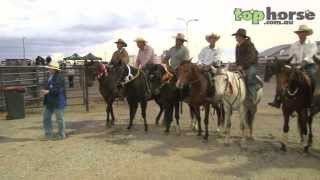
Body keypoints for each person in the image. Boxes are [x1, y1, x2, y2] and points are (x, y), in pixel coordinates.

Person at [269, 25, 318, 108]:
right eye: (299, 33)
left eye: (303, 33)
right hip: (296, 66)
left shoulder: (312, 44)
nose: (301, 34)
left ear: (306, 34)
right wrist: (292, 64)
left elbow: (311, 55)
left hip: (309, 65)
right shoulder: (294, 45)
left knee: (313, 79)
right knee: (282, 78)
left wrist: (303, 62)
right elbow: (291, 57)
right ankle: (277, 99)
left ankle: (312, 100)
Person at [232, 28, 258, 108]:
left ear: (241, 37)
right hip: (241, 67)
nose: (236, 38)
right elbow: (237, 58)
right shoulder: (237, 46)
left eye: (237, 36)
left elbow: (251, 57)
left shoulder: (249, 44)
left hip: (250, 65)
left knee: (250, 77)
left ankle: (252, 99)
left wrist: (242, 66)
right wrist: (236, 65)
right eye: (235, 36)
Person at [41, 61, 67, 140]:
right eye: (49, 68)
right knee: (46, 117)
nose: (49, 69)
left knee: (59, 119)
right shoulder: (50, 76)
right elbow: (49, 87)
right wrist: (45, 90)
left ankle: (61, 134)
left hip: (57, 101)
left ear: (55, 69)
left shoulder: (60, 78)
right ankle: (48, 134)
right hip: (49, 101)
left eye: (50, 68)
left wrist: (48, 91)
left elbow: (58, 90)